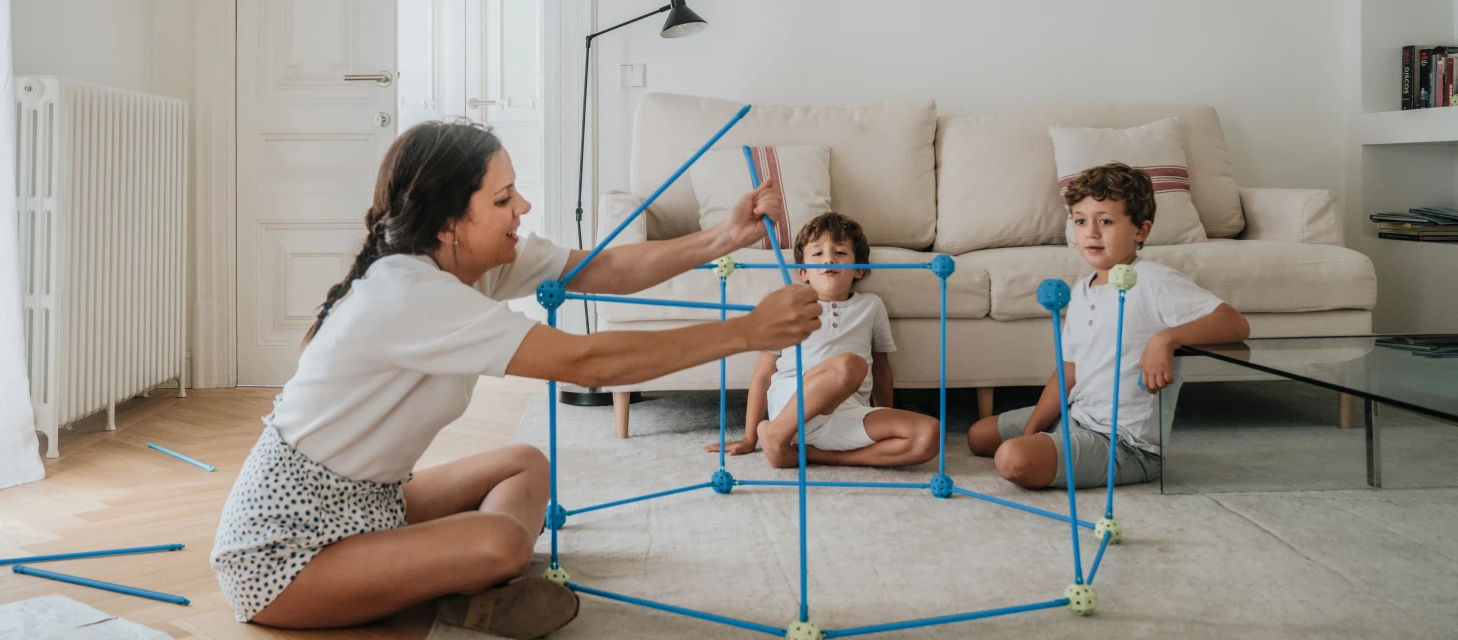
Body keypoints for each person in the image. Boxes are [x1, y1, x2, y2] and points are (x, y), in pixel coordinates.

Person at [210, 120, 822, 638]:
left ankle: (451, 582)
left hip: (372, 503)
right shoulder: (410, 293)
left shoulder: (466, 265)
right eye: (503, 200)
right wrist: (747, 332)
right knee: (501, 544)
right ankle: (465, 586)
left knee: (524, 464)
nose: (522, 207)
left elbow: (604, 267)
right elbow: (587, 363)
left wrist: (723, 237)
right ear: (450, 223)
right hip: (282, 556)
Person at [966, 162, 1250, 490]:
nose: (1091, 232)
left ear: (1141, 231)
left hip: (1125, 444)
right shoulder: (1081, 290)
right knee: (979, 436)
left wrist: (1166, 339)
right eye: (1080, 221)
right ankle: (1050, 442)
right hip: (1077, 416)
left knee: (1012, 459)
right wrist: (1032, 431)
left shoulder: (1154, 280)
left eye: (1105, 221)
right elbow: (1067, 372)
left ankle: (1056, 449)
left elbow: (1234, 323)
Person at [707, 212, 939, 469]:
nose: (828, 258)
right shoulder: (790, 306)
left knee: (929, 434)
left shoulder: (871, 306)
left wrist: (886, 415)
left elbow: (882, 369)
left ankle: (815, 455)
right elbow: (763, 374)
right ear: (803, 272)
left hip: (848, 411)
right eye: (817, 253)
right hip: (793, 409)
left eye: (840, 252)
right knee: (850, 365)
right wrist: (750, 437)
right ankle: (776, 434)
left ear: (859, 270)